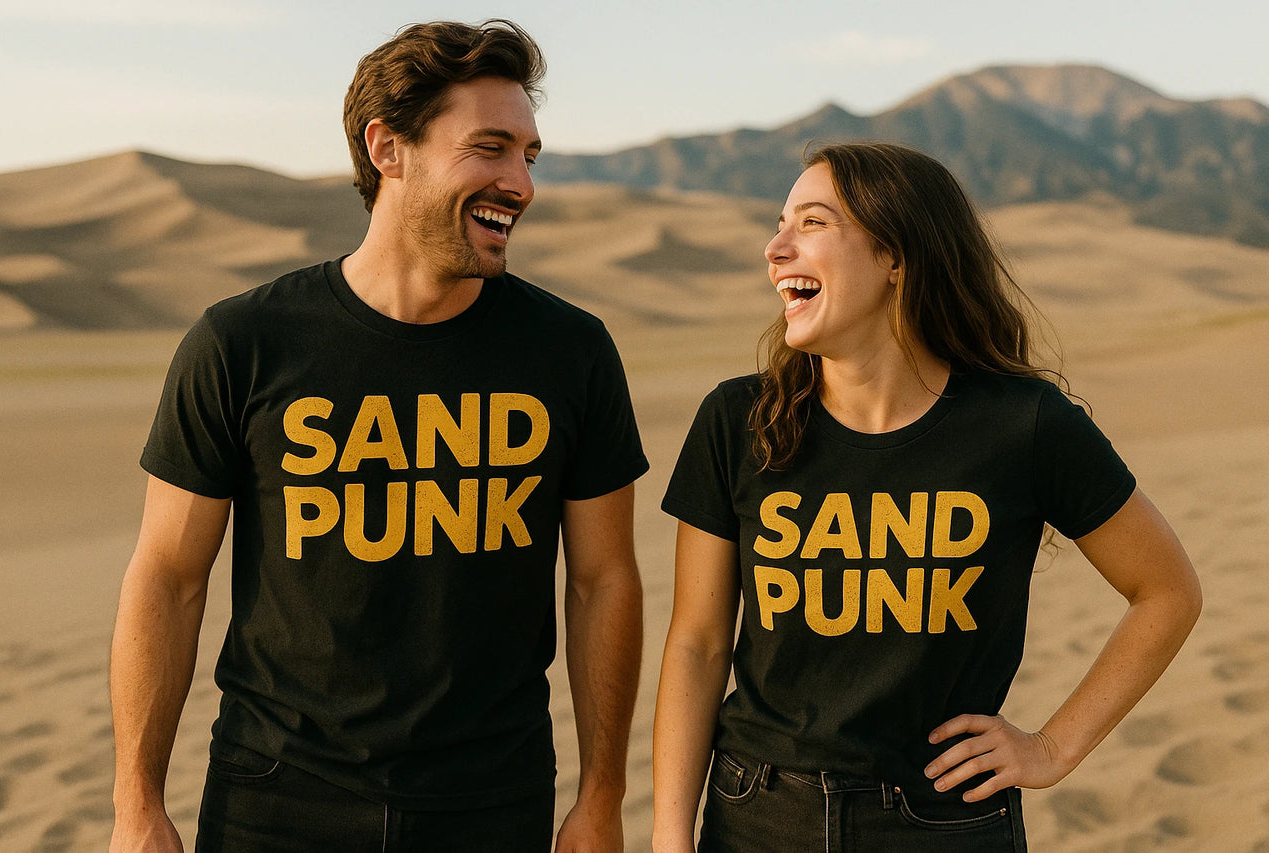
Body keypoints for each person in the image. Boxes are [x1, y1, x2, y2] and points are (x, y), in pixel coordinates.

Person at [109, 19, 647, 853]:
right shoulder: (243, 343)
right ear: (388, 148)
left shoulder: (571, 352)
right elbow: (168, 578)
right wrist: (137, 804)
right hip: (276, 799)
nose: (520, 183)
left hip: (491, 803)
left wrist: (602, 797)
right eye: (491, 148)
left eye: (529, 156)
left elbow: (603, 582)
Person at [652, 142, 1201, 852]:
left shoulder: (1024, 425)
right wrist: (670, 835)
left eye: (811, 223)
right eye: (779, 224)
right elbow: (697, 645)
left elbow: (1167, 592)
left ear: (895, 256)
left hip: (944, 821)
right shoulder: (740, 420)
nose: (775, 248)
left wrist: (1052, 746)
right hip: (757, 814)